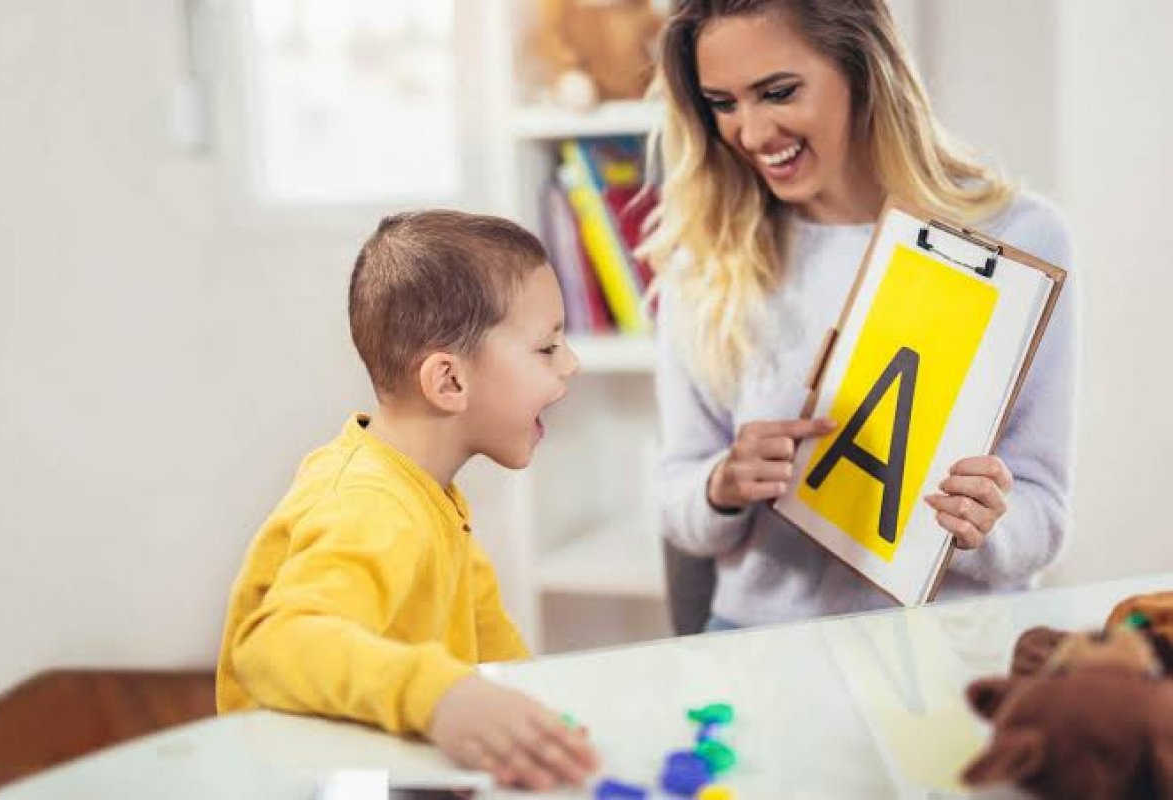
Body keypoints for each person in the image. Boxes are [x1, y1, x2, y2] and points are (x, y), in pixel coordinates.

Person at [643, 0, 1078, 632]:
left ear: (862, 70)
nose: (754, 133)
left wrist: (989, 527)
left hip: (952, 644)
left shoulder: (1022, 238)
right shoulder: (705, 261)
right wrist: (721, 486)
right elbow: (675, 495)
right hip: (764, 644)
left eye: (779, 92)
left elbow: (1045, 511)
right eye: (723, 103)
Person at [215, 210, 597, 790]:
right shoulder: (372, 505)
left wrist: (539, 727)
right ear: (449, 382)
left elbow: (494, 649)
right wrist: (441, 696)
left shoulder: (431, 493)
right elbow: (274, 645)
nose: (570, 363)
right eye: (547, 348)